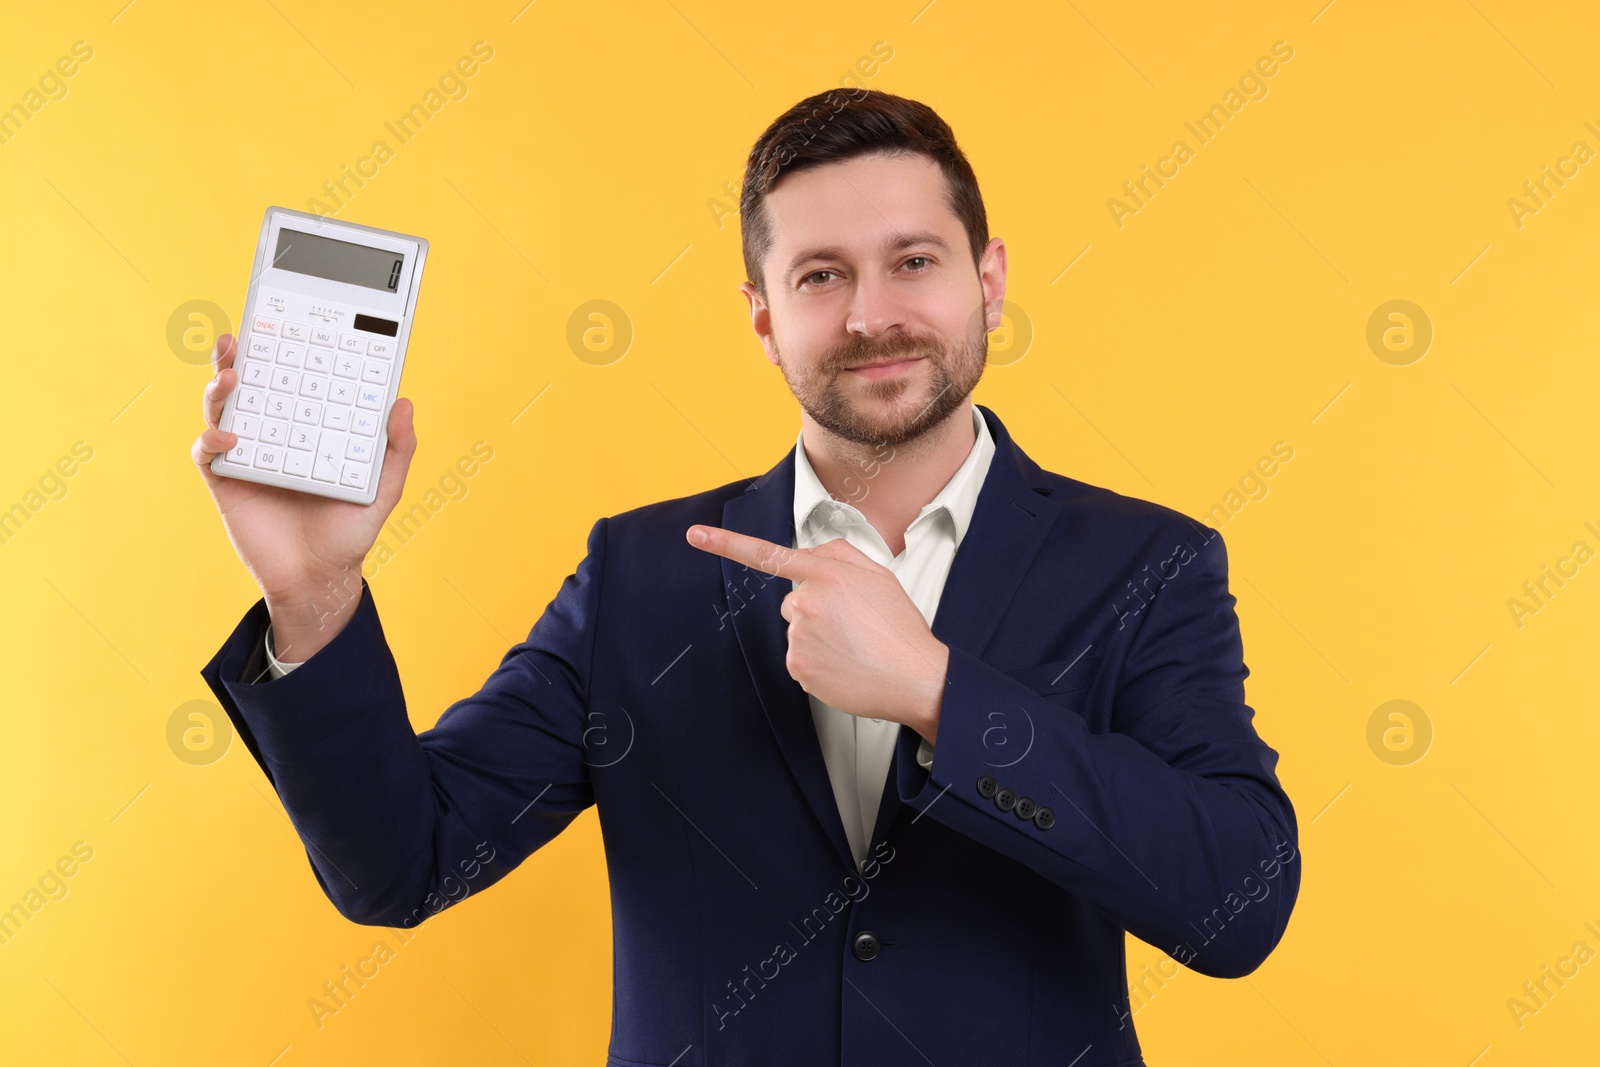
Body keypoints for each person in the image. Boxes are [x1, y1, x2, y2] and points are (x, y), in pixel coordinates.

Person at [193, 87, 1299, 1066]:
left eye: (914, 260)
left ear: (988, 279)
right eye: (821, 276)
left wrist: (936, 690)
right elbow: (403, 863)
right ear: (763, 317)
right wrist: (314, 596)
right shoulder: (640, 574)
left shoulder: (1147, 564)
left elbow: (1235, 904)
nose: (872, 315)